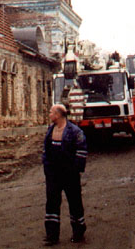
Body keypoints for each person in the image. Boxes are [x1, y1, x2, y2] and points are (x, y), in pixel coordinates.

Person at [42, 103, 88, 245]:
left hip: (70, 175)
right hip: (54, 175)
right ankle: (52, 235)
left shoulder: (75, 132)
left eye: (51, 112)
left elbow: (81, 152)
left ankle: (78, 232)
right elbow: (46, 151)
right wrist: (47, 169)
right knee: (52, 204)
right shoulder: (50, 130)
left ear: (58, 115)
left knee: (74, 203)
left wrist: (75, 171)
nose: (49, 115)